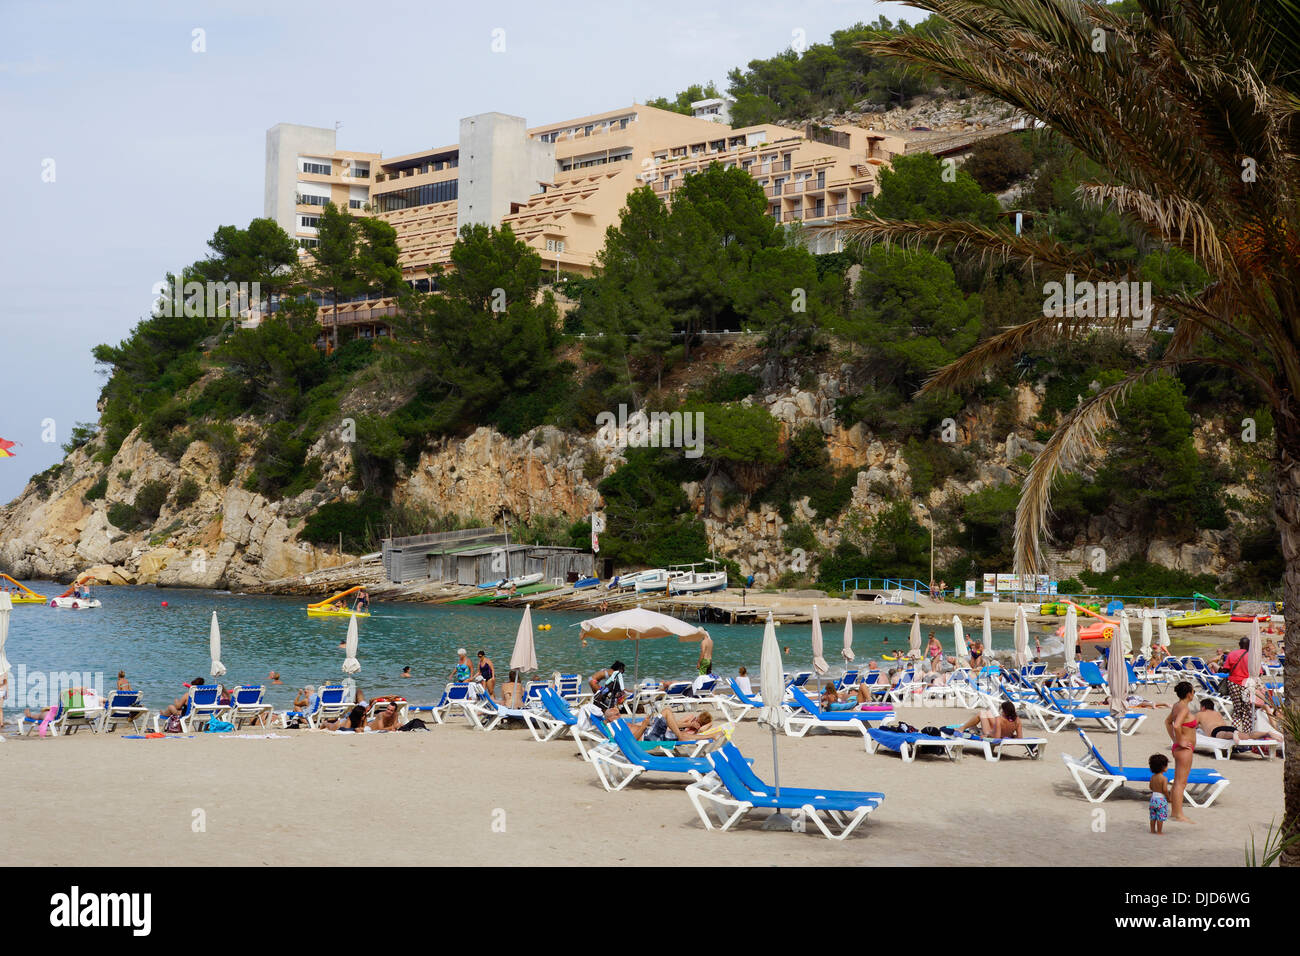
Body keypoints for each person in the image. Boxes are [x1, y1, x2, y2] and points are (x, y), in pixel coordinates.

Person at [1164, 681, 1197, 824]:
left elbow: (1167, 722)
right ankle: (1178, 815)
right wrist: (1180, 740)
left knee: (1178, 782)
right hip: (1184, 749)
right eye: (1193, 691)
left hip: (1179, 747)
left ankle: (1175, 812)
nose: (1194, 694)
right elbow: (1176, 725)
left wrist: (1174, 740)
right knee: (1180, 783)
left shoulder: (1177, 706)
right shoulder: (1183, 709)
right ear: (1189, 694)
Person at [1217, 637, 1256, 735]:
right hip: (1247, 684)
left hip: (1233, 683)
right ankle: (1247, 732)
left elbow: (1226, 670)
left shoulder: (1232, 654)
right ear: (1249, 645)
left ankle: (1234, 730)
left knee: (1237, 708)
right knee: (1247, 709)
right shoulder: (1252, 656)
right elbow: (1258, 672)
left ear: (1239, 644)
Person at [629, 707, 715, 742]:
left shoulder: (621, 725)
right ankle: (710, 736)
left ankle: (711, 736)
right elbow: (632, 740)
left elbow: (704, 728)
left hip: (650, 732)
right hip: (649, 735)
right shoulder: (618, 729)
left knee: (682, 734)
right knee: (666, 711)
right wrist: (643, 726)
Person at [1149, 754, 1170, 835]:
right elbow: (1165, 789)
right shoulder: (1164, 778)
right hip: (1161, 800)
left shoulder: (1152, 777)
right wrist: (1168, 797)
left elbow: (1150, 787)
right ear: (1163, 767)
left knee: (1153, 816)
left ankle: (1152, 830)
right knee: (1160, 816)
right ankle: (1159, 831)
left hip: (1153, 799)